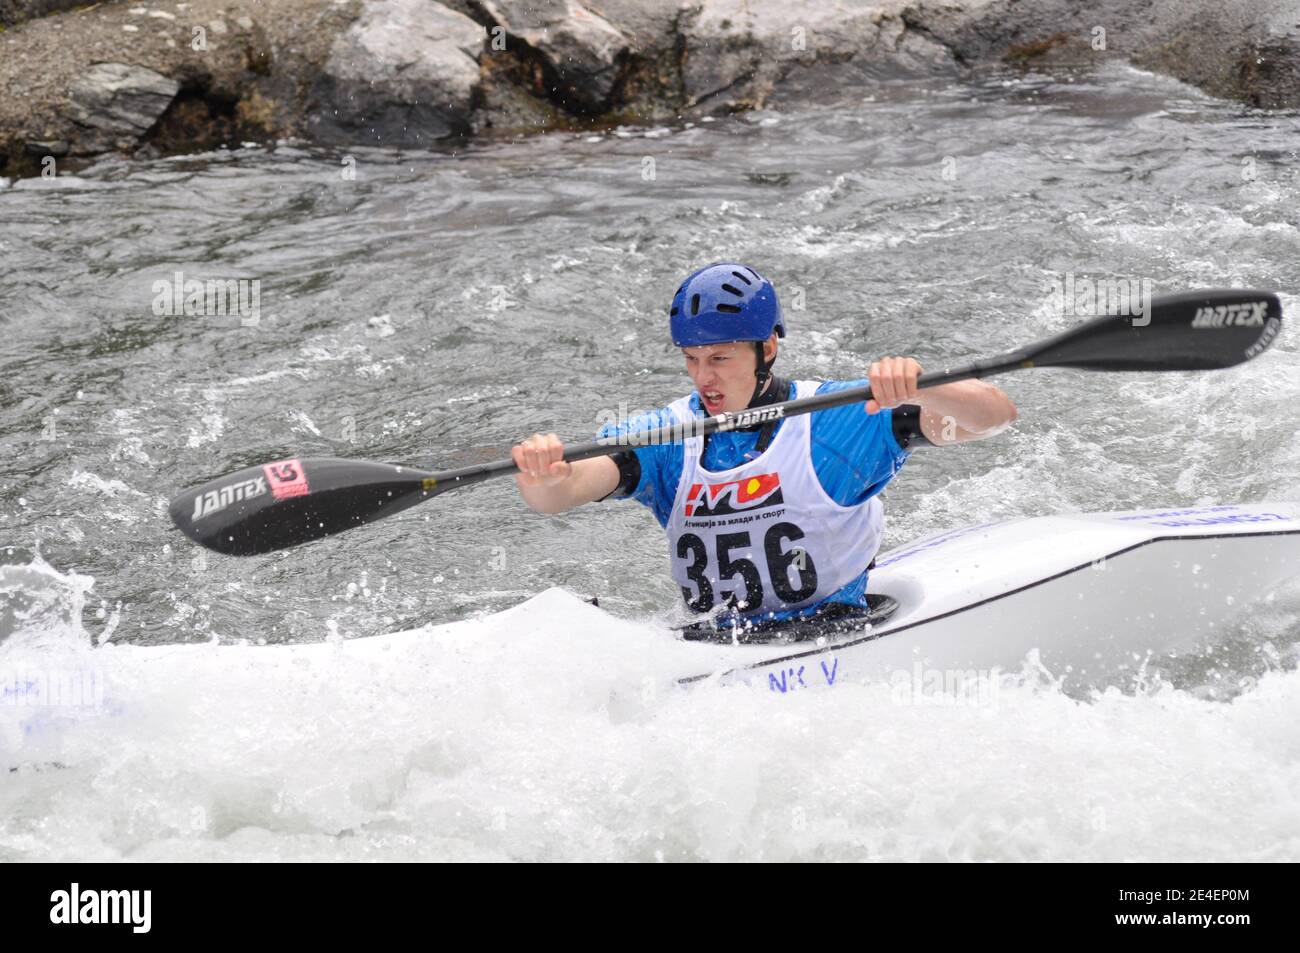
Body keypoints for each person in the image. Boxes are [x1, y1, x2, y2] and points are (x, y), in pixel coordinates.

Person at [511, 262, 1017, 638]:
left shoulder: (835, 418)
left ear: (767, 349)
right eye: (691, 359)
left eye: (720, 358)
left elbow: (992, 418)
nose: (703, 376)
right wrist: (547, 478)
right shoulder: (668, 435)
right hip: (712, 643)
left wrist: (920, 386)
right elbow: (563, 494)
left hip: (834, 629)